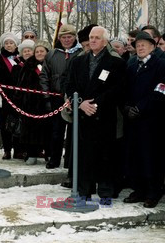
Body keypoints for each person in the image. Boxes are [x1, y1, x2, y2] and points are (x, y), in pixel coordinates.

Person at [66, 26, 126, 201]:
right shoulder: (78, 62)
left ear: (105, 41)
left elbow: (118, 89)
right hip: (83, 116)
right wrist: (81, 104)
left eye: (97, 38)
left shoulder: (116, 63)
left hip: (104, 116)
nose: (92, 40)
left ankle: (105, 192)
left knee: (105, 155)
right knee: (84, 155)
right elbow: (70, 87)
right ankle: (84, 191)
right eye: (91, 37)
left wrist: (96, 103)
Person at [123, 31, 165, 208]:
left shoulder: (161, 64)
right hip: (132, 119)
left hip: (152, 119)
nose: (140, 47)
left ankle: (153, 192)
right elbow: (124, 89)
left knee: (151, 156)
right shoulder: (132, 65)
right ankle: (138, 189)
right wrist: (126, 107)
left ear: (153, 47)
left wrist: (141, 108)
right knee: (135, 155)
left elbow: (160, 90)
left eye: (144, 45)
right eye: (137, 45)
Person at [39, 24, 82, 169]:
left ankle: (70, 161)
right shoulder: (52, 54)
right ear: (59, 38)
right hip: (56, 97)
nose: (67, 40)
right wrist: (46, 97)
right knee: (56, 131)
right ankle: (54, 158)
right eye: (64, 37)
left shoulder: (80, 53)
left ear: (74, 37)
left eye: (69, 37)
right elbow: (44, 76)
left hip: (73, 98)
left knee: (72, 132)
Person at [14, 40, 50, 165]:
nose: (39, 53)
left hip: (48, 103)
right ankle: (31, 154)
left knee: (48, 131)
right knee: (30, 131)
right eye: (37, 51)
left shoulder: (51, 64)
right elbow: (20, 84)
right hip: (30, 104)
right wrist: (20, 100)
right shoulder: (28, 65)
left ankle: (48, 154)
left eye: (42, 51)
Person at [0, 32, 22, 160]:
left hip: (19, 97)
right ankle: (7, 150)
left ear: (16, 45)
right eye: (6, 43)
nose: (9, 45)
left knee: (18, 123)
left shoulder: (20, 58)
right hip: (4, 96)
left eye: (11, 43)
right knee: (5, 124)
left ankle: (18, 150)